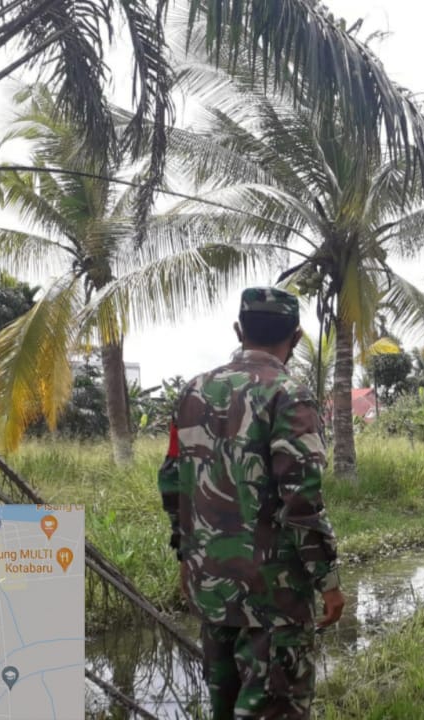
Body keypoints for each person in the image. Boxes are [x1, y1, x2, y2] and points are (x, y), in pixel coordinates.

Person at [166, 287, 345, 720]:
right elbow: (301, 500)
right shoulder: (289, 395)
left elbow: (173, 483)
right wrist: (329, 580)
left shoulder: (192, 394)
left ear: (239, 330)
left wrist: (186, 555)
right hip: (274, 599)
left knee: (224, 708)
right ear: (297, 338)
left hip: (211, 589)